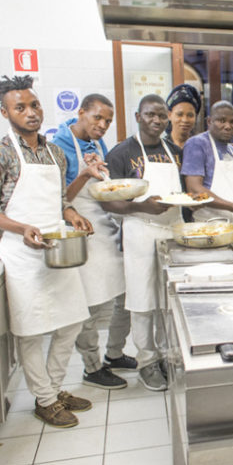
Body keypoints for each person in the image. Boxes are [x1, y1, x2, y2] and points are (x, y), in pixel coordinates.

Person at [0, 75, 92, 428]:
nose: (30, 112)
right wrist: (21, 228)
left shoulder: (54, 152)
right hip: (21, 254)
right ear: (5, 111)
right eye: (20, 107)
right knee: (31, 330)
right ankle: (44, 400)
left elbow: (59, 200)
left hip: (55, 247)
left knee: (72, 321)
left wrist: (72, 214)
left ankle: (54, 390)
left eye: (34, 104)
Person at [101, 94, 184, 392]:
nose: (157, 121)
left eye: (162, 116)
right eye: (151, 115)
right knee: (142, 301)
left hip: (173, 230)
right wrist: (141, 208)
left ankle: (166, 355)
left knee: (168, 300)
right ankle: (147, 362)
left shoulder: (173, 150)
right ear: (138, 115)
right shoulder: (121, 153)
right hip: (140, 230)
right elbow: (108, 203)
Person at [53, 93, 136, 391]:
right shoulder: (58, 146)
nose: (102, 125)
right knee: (88, 303)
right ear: (81, 112)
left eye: (108, 121)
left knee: (125, 295)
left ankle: (114, 353)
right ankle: (92, 366)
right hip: (81, 229)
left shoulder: (97, 144)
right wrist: (85, 174)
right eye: (97, 118)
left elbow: (102, 186)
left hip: (106, 226)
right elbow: (60, 198)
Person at [182, 101, 233, 219]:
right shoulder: (197, 144)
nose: (228, 126)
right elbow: (194, 188)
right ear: (209, 121)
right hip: (209, 225)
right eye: (222, 121)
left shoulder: (232, 150)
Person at [165, 83, 201, 149]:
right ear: (169, 115)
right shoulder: (161, 147)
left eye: (190, 115)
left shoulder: (200, 148)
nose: (185, 120)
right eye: (179, 114)